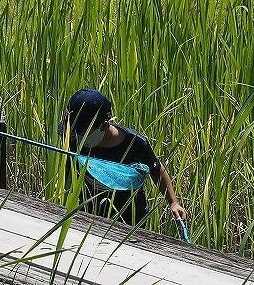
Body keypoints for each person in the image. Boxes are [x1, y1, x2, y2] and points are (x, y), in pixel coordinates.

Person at [59, 89, 187, 226]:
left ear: (104, 125)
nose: (76, 136)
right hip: (87, 215)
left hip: (130, 219)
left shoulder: (135, 144)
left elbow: (156, 169)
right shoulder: (73, 140)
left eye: (82, 132)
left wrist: (173, 202)